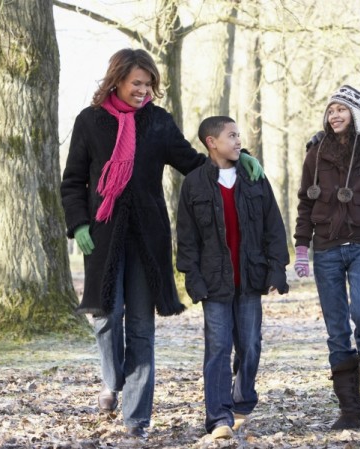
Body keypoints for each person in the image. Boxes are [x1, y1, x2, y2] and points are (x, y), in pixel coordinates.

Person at [60, 49, 263, 439]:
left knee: (140, 326)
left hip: (147, 237)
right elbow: (72, 180)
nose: (143, 90)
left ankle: (136, 422)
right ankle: (112, 379)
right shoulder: (90, 121)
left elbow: (191, 161)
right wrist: (78, 223)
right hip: (101, 235)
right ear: (117, 79)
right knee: (105, 316)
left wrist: (240, 157)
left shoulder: (157, 121)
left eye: (149, 84)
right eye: (137, 82)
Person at [176, 116, 289, 440]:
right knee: (218, 349)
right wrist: (193, 279)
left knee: (250, 346)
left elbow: (273, 225)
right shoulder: (195, 184)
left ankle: (242, 401)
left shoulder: (254, 177)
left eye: (239, 135)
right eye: (232, 135)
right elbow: (187, 238)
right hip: (215, 283)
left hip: (251, 278)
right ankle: (219, 418)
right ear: (212, 142)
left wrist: (276, 268)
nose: (239, 141)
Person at [294, 85, 360, 430]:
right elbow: (305, 204)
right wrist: (301, 248)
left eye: (342, 109)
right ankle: (350, 410)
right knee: (337, 329)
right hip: (325, 249)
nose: (334, 115)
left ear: (358, 115)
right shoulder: (316, 152)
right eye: (331, 110)